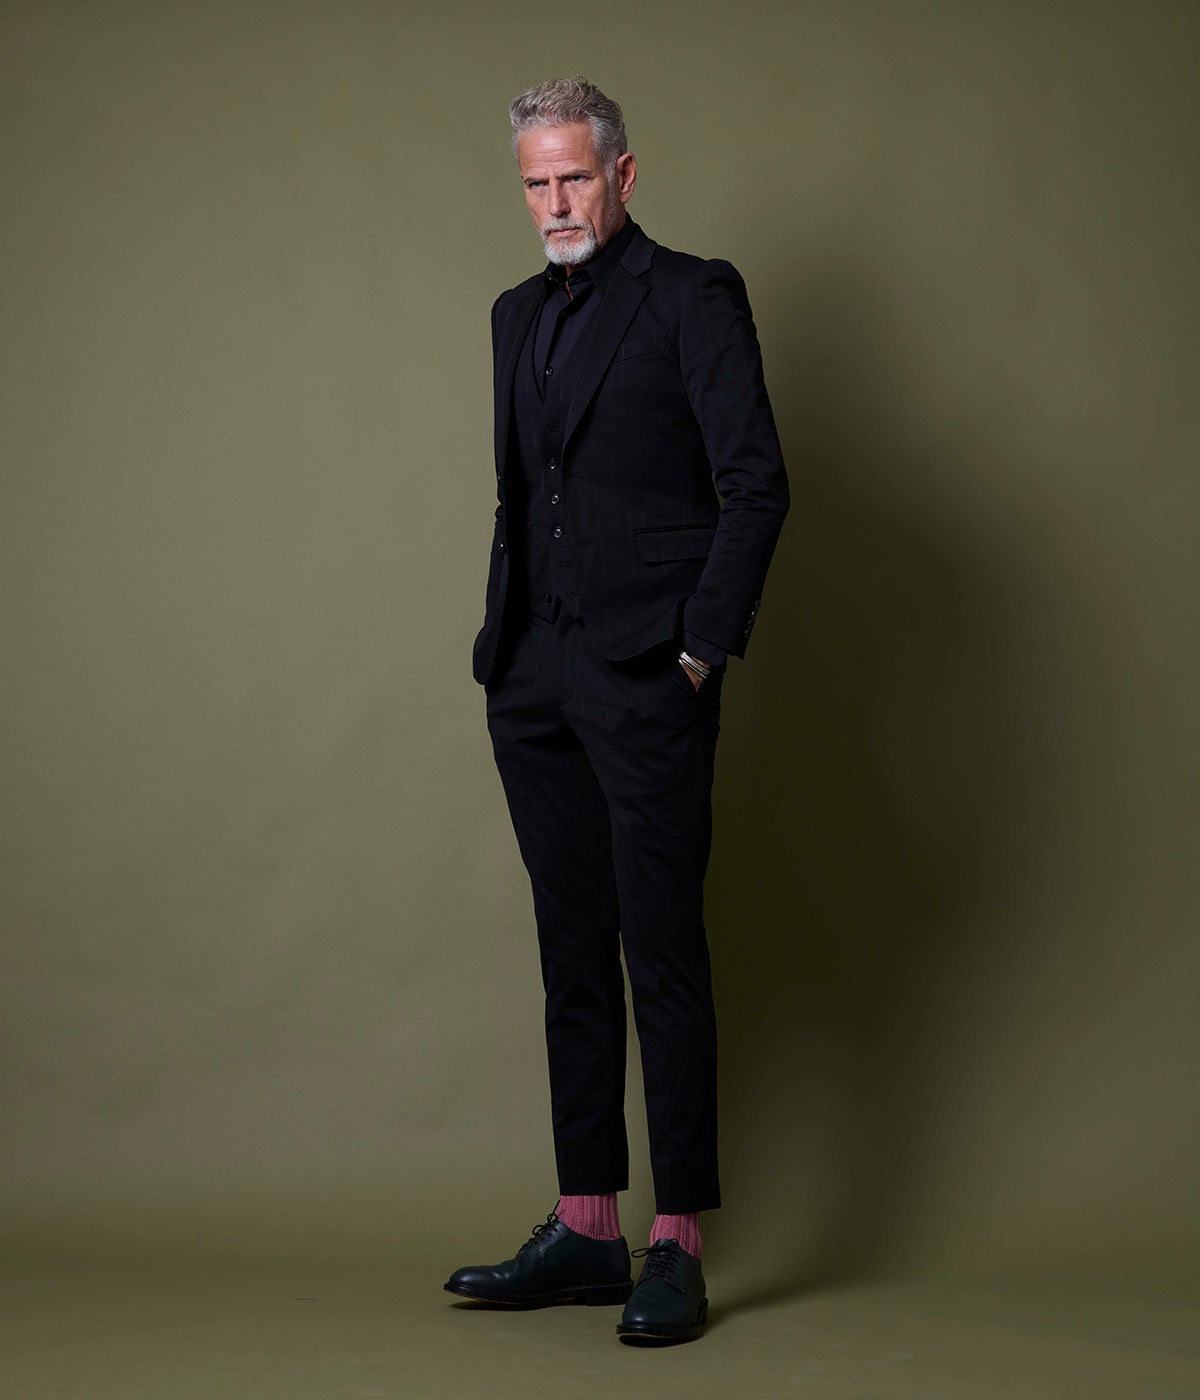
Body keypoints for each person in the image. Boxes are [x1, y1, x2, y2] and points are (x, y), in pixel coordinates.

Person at [444, 76, 788, 1344]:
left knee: (662, 948)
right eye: (536, 183)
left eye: (575, 178)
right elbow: (526, 491)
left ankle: (677, 1236)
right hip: (532, 676)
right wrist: (506, 650)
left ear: (624, 176)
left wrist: (698, 651)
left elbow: (757, 484)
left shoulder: (692, 296)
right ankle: (587, 1220)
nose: (555, 203)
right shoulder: (511, 313)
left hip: (648, 674)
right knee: (570, 948)